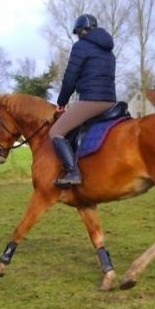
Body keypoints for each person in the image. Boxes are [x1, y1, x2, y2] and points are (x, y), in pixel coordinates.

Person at [49, 13, 117, 187]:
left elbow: (70, 78)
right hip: (111, 101)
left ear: (80, 31)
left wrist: (61, 102)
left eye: (78, 32)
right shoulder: (108, 51)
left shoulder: (81, 46)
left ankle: (73, 172)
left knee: (55, 132)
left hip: (91, 101)